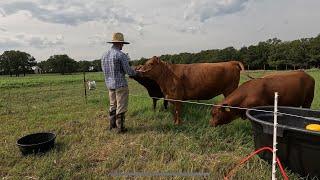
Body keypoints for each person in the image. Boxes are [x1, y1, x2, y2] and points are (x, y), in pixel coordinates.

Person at [101, 32, 138, 133]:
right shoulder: (121, 55)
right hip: (120, 85)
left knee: (113, 105)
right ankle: (120, 128)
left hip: (110, 85)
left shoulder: (104, 55)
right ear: (119, 43)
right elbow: (128, 71)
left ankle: (112, 126)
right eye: (122, 44)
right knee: (121, 106)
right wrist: (136, 72)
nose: (123, 46)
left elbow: (104, 71)